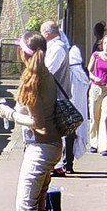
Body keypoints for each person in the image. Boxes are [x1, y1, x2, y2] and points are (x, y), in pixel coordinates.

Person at [0, 31, 63, 211]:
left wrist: (9, 114)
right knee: (34, 206)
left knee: (25, 205)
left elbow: (36, 121)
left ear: (24, 53)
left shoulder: (36, 79)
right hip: (47, 147)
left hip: (41, 149)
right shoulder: (43, 75)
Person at [41, 20, 70, 175]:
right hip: (54, 95)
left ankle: (57, 165)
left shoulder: (57, 48)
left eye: (41, 32)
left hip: (57, 96)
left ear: (47, 33)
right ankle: (56, 164)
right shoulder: (55, 47)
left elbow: (48, 71)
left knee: (56, 130)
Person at [68, 45, 90, 161]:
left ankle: (67, 162)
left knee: (68, 137)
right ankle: (69, 164)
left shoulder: (67, 72)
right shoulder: (83, 72)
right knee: (75, 135)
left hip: (66, 110)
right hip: (79, 110)